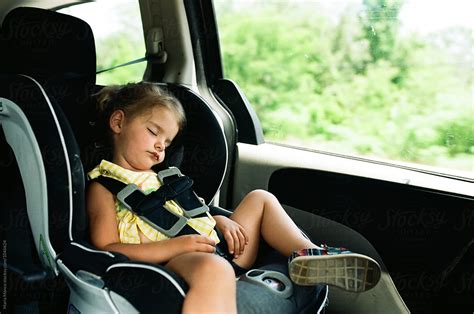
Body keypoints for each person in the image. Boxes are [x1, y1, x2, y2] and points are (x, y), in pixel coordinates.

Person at [87, 82, 381, 314]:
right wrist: (176, 246)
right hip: (176, 259)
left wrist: (217, 219)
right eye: (153, 132)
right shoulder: (104, 186)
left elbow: (190, 210)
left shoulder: (164, 176)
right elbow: (106, 246)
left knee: (260, 198)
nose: (160, 147)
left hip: (224, 245)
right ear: (118, 122)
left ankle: (310, 255)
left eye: (167, 142)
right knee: (213, 268)